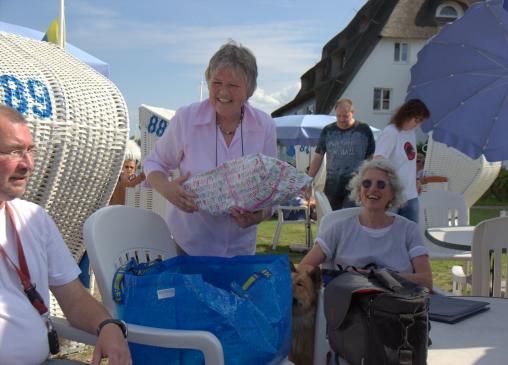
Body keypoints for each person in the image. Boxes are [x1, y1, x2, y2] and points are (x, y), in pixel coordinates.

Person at [0, 105, 131, 365]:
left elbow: (73, 298)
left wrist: (108, 325)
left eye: (30, 150)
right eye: (14, 151)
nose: (28, 164)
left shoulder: (33, 218)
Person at [144, 41, 277, 257]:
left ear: (249, 90)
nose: (223, 92)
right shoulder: (186, 119)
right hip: (187, 246)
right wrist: (167, 189)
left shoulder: (264, 126)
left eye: (233, 85)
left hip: (239, 250)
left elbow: (271, 190)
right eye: (216, 82)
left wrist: (258, 215)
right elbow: (154, 162)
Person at [299, 159, 432, 290]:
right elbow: (304, 267)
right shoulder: (339, 229)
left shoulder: (408, 230)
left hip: (396, 307)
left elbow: (426, 281)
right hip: (348, 307)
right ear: (359, 190)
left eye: (381, 184)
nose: (373, 189)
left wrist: (381, 278)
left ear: (392, 193)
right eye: (366, 183)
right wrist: (339, 279)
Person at [307, 99, 375, 210]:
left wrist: (370, 181)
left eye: (345, 116)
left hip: (356, 185)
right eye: (339, 116)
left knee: (351, 219)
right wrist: (309, 179)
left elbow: (371, 159)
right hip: (333, 186)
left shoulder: (364, 130)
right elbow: (318, 157)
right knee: (332, 220)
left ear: (353, 113)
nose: (342, 120)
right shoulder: (328, 131)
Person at [373, 99, 430, 223]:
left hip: (411, 194)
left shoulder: (411, 133)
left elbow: (409, 162)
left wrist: (415, 179)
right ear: (407, 115)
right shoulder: (391, 132)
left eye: (420, 121)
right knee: (390, 236)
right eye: (416, 120)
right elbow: (378, 162)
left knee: (411, 236)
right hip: (393, 196)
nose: (417, 124)